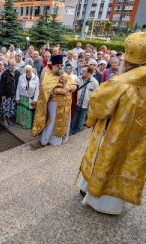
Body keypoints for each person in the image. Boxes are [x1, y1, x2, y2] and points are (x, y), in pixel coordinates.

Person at [78, 32, 146, 215]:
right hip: (139, 137)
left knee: (106, 160)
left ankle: (95, 199)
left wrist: (92, 118)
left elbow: (98, 104)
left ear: (129, 62)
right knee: (124, 163)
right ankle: (113, 205)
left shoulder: (121, 83)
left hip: (113, 134)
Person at [32, 55, 77, 146]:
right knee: (52, 121)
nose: (60, 67)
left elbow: (74, 85)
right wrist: (60, 90)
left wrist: (69, 87)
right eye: (58, 66)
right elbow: (45, 88)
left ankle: (61, 139)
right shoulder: (47, 74)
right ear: (53, 65)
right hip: (54, 103)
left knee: (65, 121)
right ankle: (47, 139)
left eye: (61, 65)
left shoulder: (64, 74)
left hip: (66, 104)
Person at [70, 66, 98, 134]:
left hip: (85, 105)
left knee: (81, 121)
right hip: (76, 103)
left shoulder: (95, 82)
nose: (81, 72)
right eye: (82, 70)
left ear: (89, 73)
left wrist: (91, 105)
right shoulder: (77, 79)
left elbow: (95, 95)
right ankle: (70, 132)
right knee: (73, 119)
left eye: (84, 71)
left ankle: (77, 134)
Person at [0, 59, 20, 127]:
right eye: (12, 65)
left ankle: (8, 119)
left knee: (11, 107)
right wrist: (3, 94)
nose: (13, 66)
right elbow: (2, 85)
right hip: (7, 93)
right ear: (9, 65)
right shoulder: (5, 73)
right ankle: (5, 120)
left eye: (14, 65)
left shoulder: (17, 72)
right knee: (5, 107)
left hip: (14, 93)